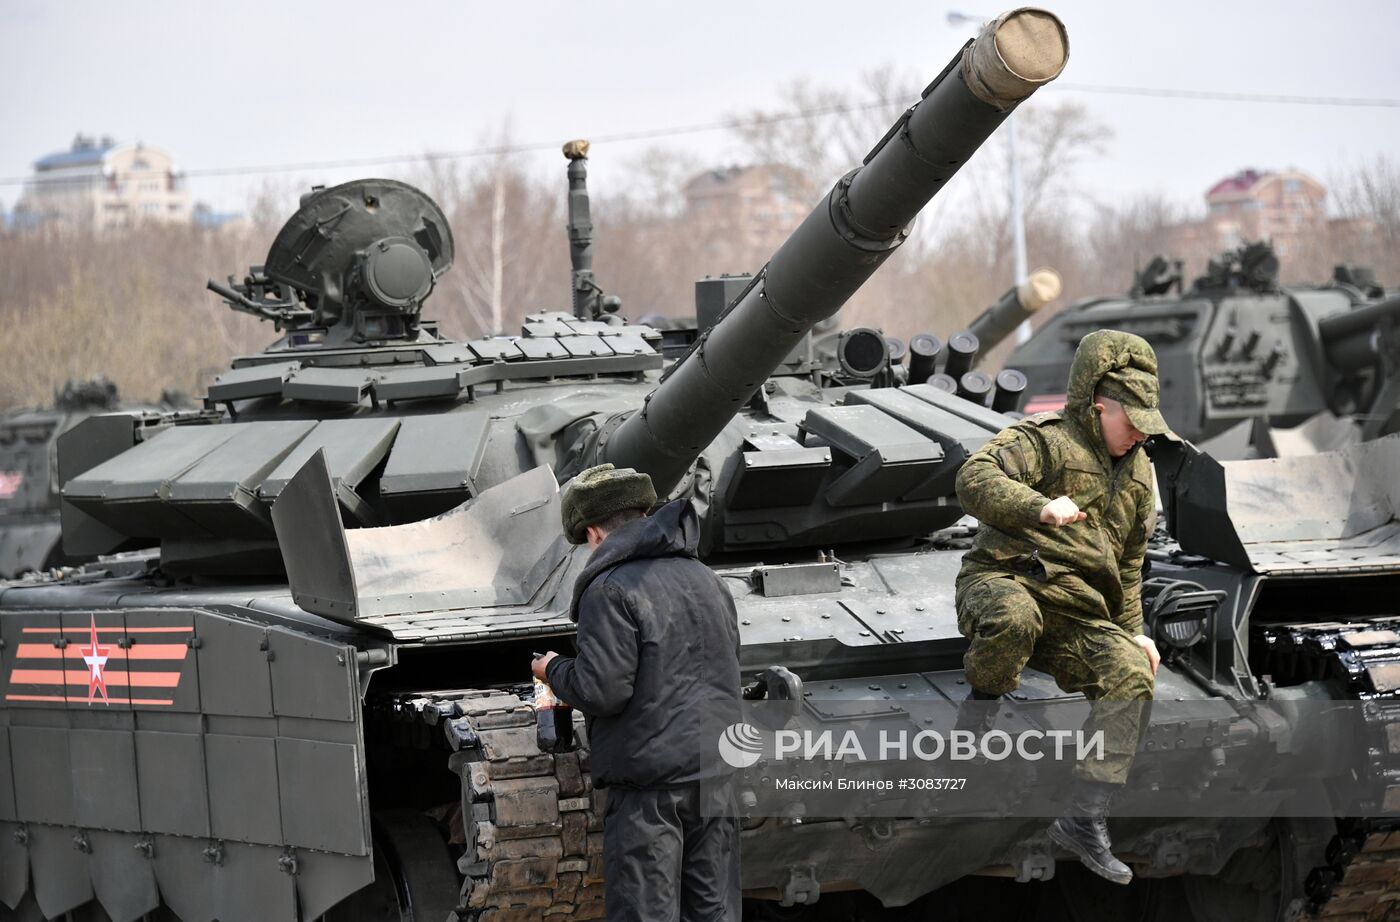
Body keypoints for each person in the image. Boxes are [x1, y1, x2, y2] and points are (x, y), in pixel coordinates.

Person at [953, 329, 1167, 885]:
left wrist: (1134, 632)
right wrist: (1040, 506)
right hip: (1005, 579)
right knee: (1014, 619)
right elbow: (973, 478)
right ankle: (976, 723)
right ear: (1099, 410)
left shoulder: (1140, 472)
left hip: (1076, 611)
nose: (1141, 435)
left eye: (1149, 425)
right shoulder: (1046, 441)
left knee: (1131, 675)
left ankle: (1084, 815)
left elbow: (1128, 562)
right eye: (1133, 422)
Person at [533, 463, 742, 922]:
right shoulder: (706, 578)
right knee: (713, 909)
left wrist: (553, 669)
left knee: (645, 911)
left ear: (592, 533)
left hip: (650, 790)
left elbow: (602, 689)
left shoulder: (608, 589)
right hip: (715, 775)